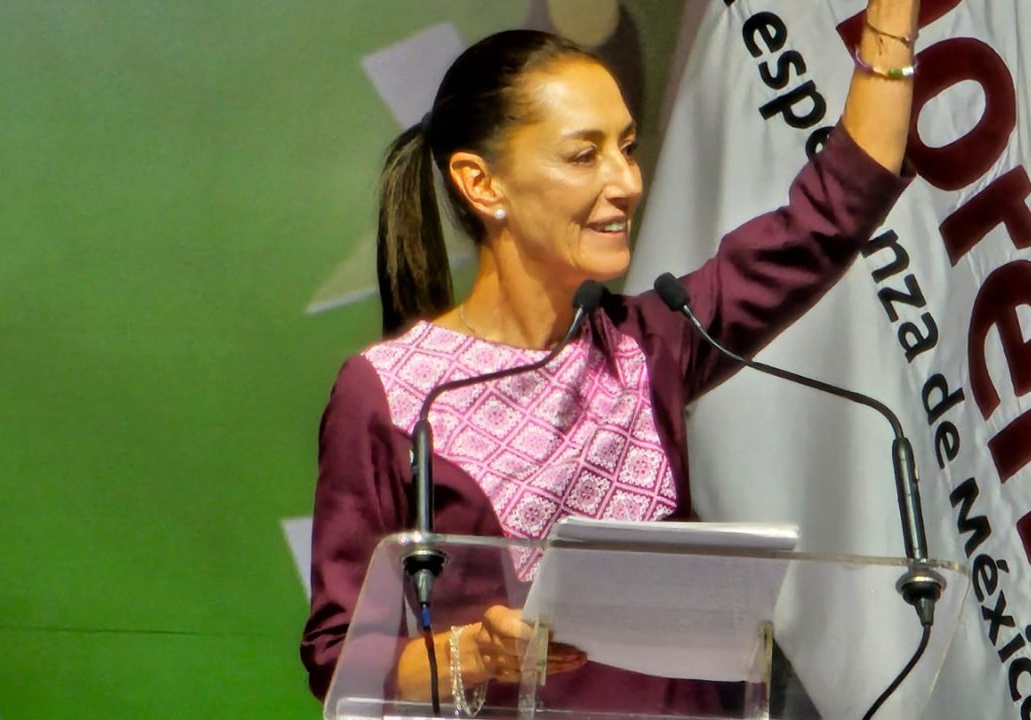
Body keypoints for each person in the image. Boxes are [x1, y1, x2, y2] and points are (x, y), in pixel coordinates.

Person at [303, 0, 920, 713]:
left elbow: (832, 213)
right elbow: (341, 657)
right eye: (583, 154)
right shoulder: (396, 394)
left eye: (627, 147)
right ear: (483, 184)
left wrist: (894, 19)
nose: (626, 181)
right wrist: (474, 652)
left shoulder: (654, 340)